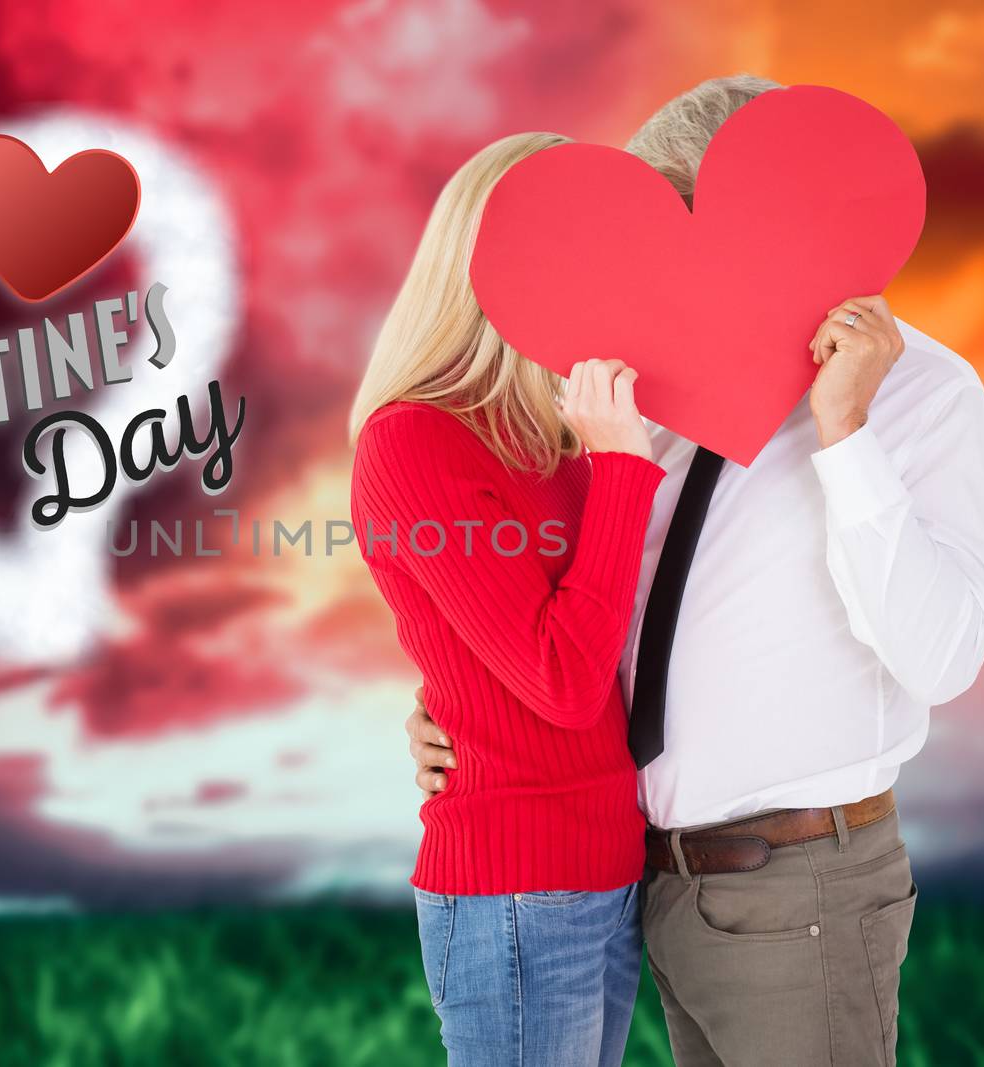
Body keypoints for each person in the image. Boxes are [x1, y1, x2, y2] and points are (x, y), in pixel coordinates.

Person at [404, 76, 984, 1066]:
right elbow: (594, 603)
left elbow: (942, 657)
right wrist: (457, 704)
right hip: (655, 883)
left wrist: (843, 430)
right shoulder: (641, 400)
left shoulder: (921, 393)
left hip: (800, 882)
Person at [348, 132, 665, 1066]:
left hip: (605, 869)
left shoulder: (561, 437)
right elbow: (565, 679)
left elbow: (574, 645)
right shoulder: (414, 442)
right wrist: (620, 467)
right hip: (518, 893)